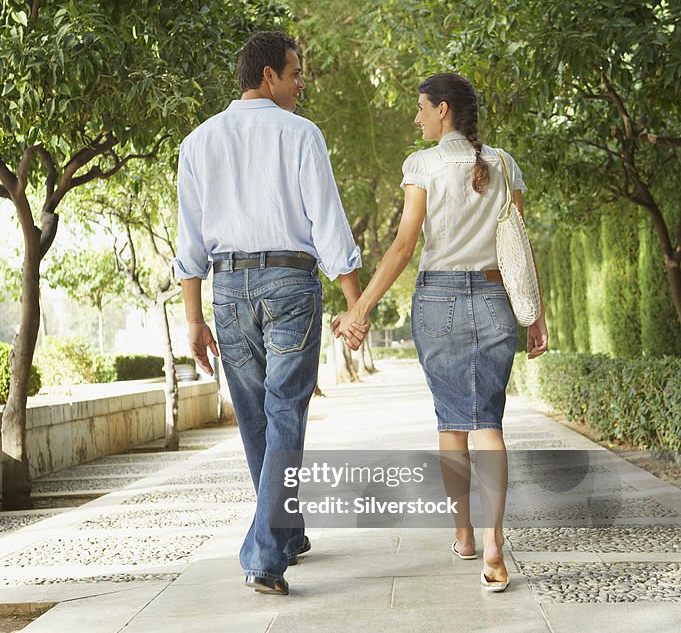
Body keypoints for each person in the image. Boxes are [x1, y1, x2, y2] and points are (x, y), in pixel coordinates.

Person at [335, 72, 548, 591]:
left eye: (421, 108)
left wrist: (360, 307)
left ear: (444, 110)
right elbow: (516, 249)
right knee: (488, 422)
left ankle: (465, 535)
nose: (417, 117)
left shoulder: (422, 166)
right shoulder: (503, 164)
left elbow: (405, 246)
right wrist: (536, 313)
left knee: (452, 420)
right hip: (498, 299)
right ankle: (493, 544)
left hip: (437, 302)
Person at [174, 31, 366, 596]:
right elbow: (329, 224)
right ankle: (265, 553)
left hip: (228, 288)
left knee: (257, 416)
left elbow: (190, 241)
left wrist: (193, 318)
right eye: (294, 71)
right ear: (267, 76)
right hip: (289, 283)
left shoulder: (198, 142)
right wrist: (356, 302)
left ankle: (285, 530)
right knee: (284, 412)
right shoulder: (301, 134)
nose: (300, 81)